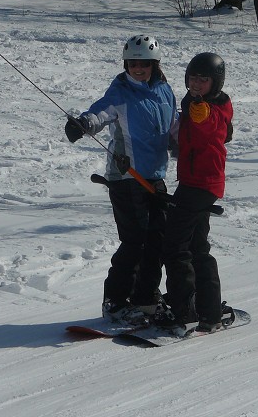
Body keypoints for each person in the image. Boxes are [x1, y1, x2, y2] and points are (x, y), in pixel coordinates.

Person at [64, 34, 177, 324]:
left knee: (157, 241)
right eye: (132, 63)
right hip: (126, 177)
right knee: (135, 240)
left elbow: (174, 124)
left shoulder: (164, 91)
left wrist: (186, 140)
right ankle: (114, 301)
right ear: (126, 64)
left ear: (155, 64)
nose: (138, 69)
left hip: (154, 176)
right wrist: (83, 124)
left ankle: (145, 297)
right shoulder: (121, 92)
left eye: (144, 64)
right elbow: (100, 113)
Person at [153, 52, 234, 334]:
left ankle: (183, 308)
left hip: (202, 184)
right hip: (196, 182)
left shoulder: (207, 108)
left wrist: (200, 113)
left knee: (175, 245)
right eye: (193, 78)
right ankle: (208, 311)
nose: (197, 83)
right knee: (198, 246)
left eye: (204, 79)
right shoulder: (195, 102)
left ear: (216, 82)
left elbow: (211, 127)